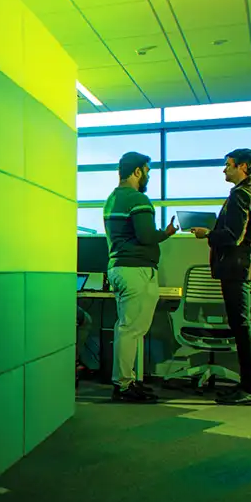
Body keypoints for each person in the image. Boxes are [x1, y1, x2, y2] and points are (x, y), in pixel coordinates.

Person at [188, 148, 251, 407]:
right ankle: (249, 386)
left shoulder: (241, 195)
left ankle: (249, 390)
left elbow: (232, 236)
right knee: (248, 327)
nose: (225, 169)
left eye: (229, 165)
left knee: (243, 327)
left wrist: (207, 234)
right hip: (247, 267)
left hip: (237, 269)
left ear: (243, 167)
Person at [103, 152, 177, 403]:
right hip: (136, 271)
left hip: (118, 268)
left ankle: (127, 381)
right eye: (147, 170)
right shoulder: (138, 199)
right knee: (131, 330)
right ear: (137, 171)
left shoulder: (112, 198)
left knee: (126, 328)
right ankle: (123, 386)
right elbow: (146, 236)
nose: (148, 175)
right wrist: (166, 233)